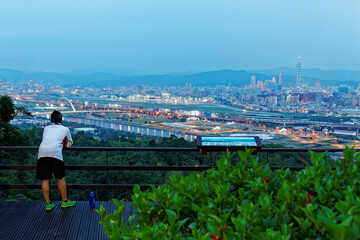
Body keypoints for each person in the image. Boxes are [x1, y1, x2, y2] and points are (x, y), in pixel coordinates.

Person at [36, 110, 76, 211]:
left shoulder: (46, 128)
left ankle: (48, 204)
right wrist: (65, 144)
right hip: (55, 154)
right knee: (60, 178)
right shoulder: (65, 129)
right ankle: (65, 201)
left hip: (42, 153)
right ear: (61, 120)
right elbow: (70, 145)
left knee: (45, 179)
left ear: (51, 119)